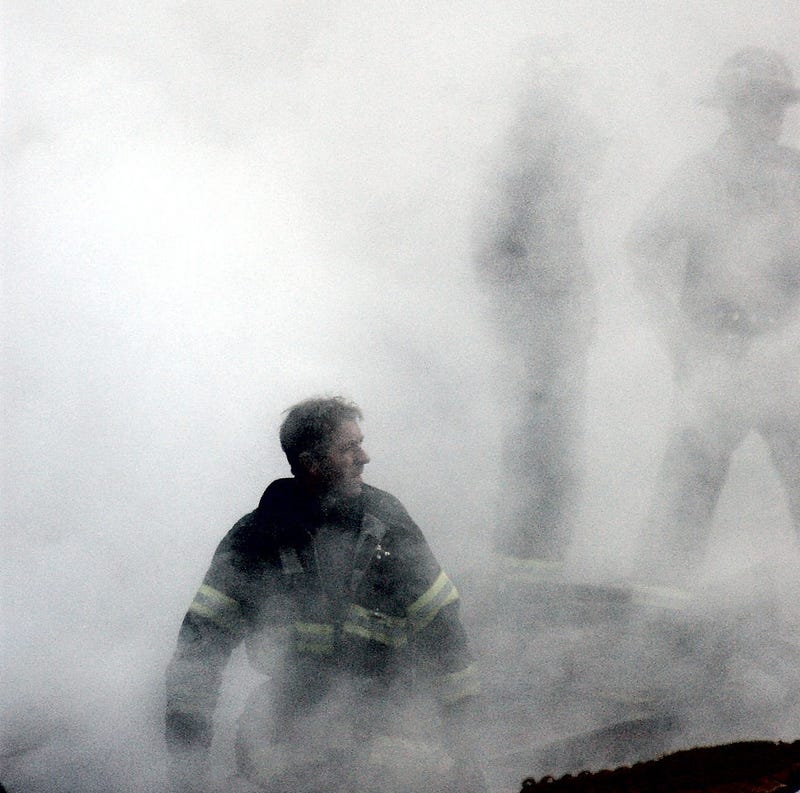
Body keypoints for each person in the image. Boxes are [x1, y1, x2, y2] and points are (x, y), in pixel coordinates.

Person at [165, 396, 487, 793]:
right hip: (284, 730)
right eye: (349, 448)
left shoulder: (388, 525)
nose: (364, 457)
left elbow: (445, 635)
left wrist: (464, 748)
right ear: (311, 464)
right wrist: (187, 771)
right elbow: (198, 656)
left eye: (361, 444)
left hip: (387, 723)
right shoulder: (256, 539)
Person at [627, 47, 800, 596]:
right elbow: (643, 245)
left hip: (786, 359)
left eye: (777, 105)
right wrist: (678, 334)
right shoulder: (701, 174)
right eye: (758, 104)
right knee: (690, 482)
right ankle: (661, 607)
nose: (771, 117)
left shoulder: (796, 173)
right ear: (732, 108)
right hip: (716, 356)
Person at [474, 56, 604, 582]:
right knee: (536, 438)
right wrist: (520, 327)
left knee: (556, 439)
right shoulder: (521, 178)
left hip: (559, 331)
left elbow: (569, 262)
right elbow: (493, 260)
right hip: (537, 332)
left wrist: (581, 314)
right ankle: (523, 554)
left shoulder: (556, 185)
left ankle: (543, 552)